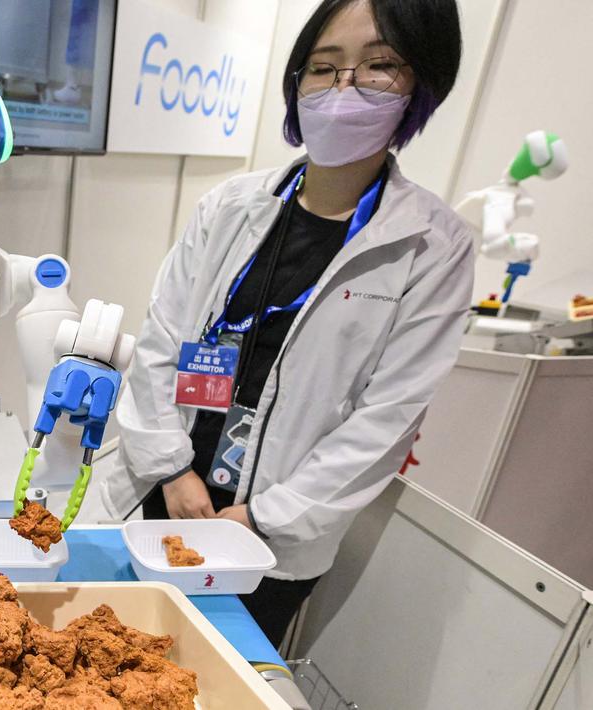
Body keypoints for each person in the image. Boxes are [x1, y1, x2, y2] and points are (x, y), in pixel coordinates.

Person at [100, 0, 471, 647]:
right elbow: (160, 346)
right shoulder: (227, 207)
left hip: (271, 541)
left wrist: (264, 517)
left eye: (379, 66)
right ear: (295, 82)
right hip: (161, 495)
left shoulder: (433, 246)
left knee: (216, 674)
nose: (343, 89)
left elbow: (385, 418)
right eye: (323, 69)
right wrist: (173, 471)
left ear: (421, 86)